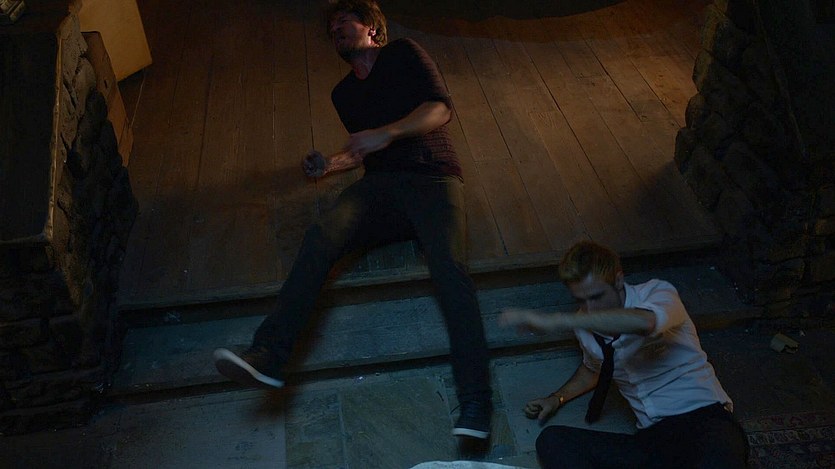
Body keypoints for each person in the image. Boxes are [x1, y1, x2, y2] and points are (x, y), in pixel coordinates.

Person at [213, 0, 492, 439]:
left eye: (345, 21)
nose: (336, 29)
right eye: (331, 27)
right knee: (322, 235)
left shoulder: (404, 53)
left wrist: (388, 132)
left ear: (372, 29)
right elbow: (361, 151)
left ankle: (476, 406)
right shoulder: (342, 94)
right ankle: (268, 355)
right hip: (381, 188)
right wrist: (329, 165)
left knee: (450, 270)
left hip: (432, 178)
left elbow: (439, 110)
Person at [499, 241, 749, 468]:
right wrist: (556, 398)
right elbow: (593, 369)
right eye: (581, 300)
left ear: (618, 280)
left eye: (596, 296)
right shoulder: (583, 325)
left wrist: (555, 321)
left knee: (719, 454)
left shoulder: (658, 293)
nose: (590, 308)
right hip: (652, 441)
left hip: (704, 421)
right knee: (553, 441)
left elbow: (645, 323)